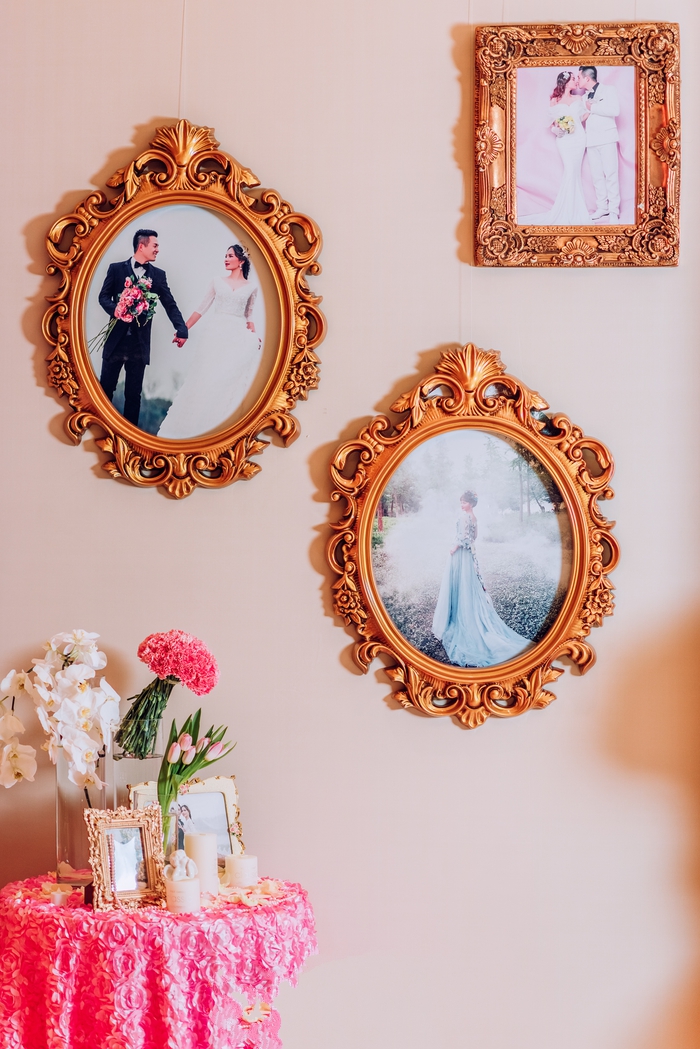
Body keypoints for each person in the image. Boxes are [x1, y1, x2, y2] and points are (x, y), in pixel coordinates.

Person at [157, 244, 261, 439]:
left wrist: (254, 336)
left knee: (226, 380)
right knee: (204, 377)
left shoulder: (251, 287)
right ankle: (190, 428)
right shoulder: (217, 281)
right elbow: (201, 309)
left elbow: (249, 316)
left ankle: (219, 425)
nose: (226, 259)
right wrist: (183, 330)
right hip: (214, 335)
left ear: (241, 261)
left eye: (230, 256)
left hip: (236, 336)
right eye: (225, 256)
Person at [98, 229, 188, 426]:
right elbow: (103, 296)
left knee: (133, 395)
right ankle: (101, 429)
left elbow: (170, 304)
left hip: (139, 345)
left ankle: (129, 436)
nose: (158, 249)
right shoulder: (116, 269)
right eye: (155, 245)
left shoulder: (159, 276)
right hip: (115, 341)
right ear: (141, 246)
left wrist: (182, 329)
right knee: (105, 390)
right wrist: (116, 310)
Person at [431, 491, 531, 668]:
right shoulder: (474, 518)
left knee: (460, 583)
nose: (461, 505)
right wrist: (463, 544)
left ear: (470, 503)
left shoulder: (464, 517)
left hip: (461, 554)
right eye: (461, 502)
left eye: (464, 502)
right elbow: (474, 537)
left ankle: (459, 615)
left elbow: (464, 538)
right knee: (467, 584)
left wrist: (454, 548)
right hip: (469, 555)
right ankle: (461, 609)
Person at [520, 70, 590, 226]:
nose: (576, 81)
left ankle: (575, 209)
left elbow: (582, 117)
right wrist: (555, 129)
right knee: (570, 170)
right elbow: (552, 121)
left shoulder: (578, 98)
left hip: (579, 138)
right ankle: (566, 209)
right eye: (573, 79)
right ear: (565, 82)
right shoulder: (555, 100)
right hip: (564, 140)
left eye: (575, 78)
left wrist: (593, 108)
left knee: (575, 172)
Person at [578, 65, 621, 223]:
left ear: (587, 78)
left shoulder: (609, 90)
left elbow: (615, 111)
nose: (578, 80)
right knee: (597, 177)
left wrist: (593, 107)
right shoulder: (583, 97)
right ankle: (602, 208)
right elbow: (583, 116)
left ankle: (613, 211)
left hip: (607, 138)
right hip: (591, 140)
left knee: (611, 174)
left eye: (579, 77)